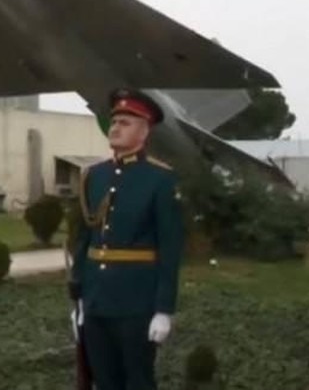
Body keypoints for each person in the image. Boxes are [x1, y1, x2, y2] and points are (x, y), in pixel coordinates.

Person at [68, 88, 184, 390]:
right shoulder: (93, 175)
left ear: (144, 132)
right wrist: (78, 298)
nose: (115, 127)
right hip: (95, 300)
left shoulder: (160, 179)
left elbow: (170, 248)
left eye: (125, 122)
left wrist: (163, 309)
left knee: (138, 380)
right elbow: (84, 239)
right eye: (114, 121)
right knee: (104, 379)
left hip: (136, 302)